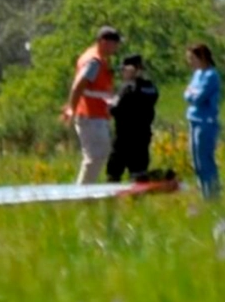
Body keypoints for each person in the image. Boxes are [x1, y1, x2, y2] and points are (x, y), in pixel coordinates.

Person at [62, 25, 121, 184]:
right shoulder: (94, 61)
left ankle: (85, 193)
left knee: (99, 154)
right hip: (90, 115)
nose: (116, 47)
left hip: (95, 115)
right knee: (95, 156)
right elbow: (78, 85)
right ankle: (83, 195)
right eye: (114, 43)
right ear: (103, 42)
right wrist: (71, 108)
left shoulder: (96, 58)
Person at [106, 54, 159, 182]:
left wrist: (110, 102)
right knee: (139, 171)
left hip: (124, 137)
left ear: (132, 70)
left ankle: (111, 199)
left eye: (124, 70)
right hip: (143, 134)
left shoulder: (126, 88)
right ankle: (138, 200)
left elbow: (114, 108)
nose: (122, 73)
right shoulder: (150, 87)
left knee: (114, 171)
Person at [184, 43, 221, 199]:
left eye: (192, 58)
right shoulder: (197, 75)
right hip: (193, 119)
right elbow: (187, 94)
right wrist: (191, 93)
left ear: (202, 57)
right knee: (196, 162)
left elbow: (198, 97)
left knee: (205, 159)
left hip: (206, 121)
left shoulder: (211, 75)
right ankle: (203, 193)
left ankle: (212, 194)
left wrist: (192, 94)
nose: (190, 62)